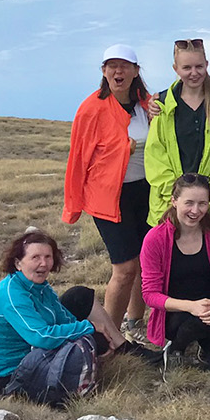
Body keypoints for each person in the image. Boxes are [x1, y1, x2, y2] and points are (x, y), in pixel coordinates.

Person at [63, 44, 152, 342]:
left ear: (136, 71)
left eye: (125, 65)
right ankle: (109, 338)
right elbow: (77, 160)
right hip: (108, 198)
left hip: (147, 192)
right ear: (103, 71)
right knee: (125, 267)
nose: (118, 71)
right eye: (112, 66)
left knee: (144, 263)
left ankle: (135, 323)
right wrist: (73, 206)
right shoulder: (91, 109)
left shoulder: (147, 104)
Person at [0, 230, 123, 403]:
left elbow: (64, 319)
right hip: (10, 376)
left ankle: (85, 372)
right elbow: (40, 337)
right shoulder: (12, 294)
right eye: (35, 258)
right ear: (18, 263)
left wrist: (95, 335)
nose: (43, 263)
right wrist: (89, 327)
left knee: (93, 339)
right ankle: (72, 393)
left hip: (33, 357)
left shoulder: (41, 287)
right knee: (82, 344)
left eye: (48, 257)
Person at [139, 174, 210, 376]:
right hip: (177, 310)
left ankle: (206, 347)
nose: (196, 211)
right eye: (189, 203)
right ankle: (176, 347)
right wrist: (191, 306)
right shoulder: (155, 238)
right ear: (174, 201)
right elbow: (150, 294)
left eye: (202, 203)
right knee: (191, 323)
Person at [144, 39, 210, 235]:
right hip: (169, 207)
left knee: (208, 263)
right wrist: (180, 197)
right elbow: (155, 156)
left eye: (199, 66)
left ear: (207, 65)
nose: (194, 73)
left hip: (209, 208)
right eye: (187, 67)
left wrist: (206, 197)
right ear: (175, 68)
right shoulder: (162, 104)